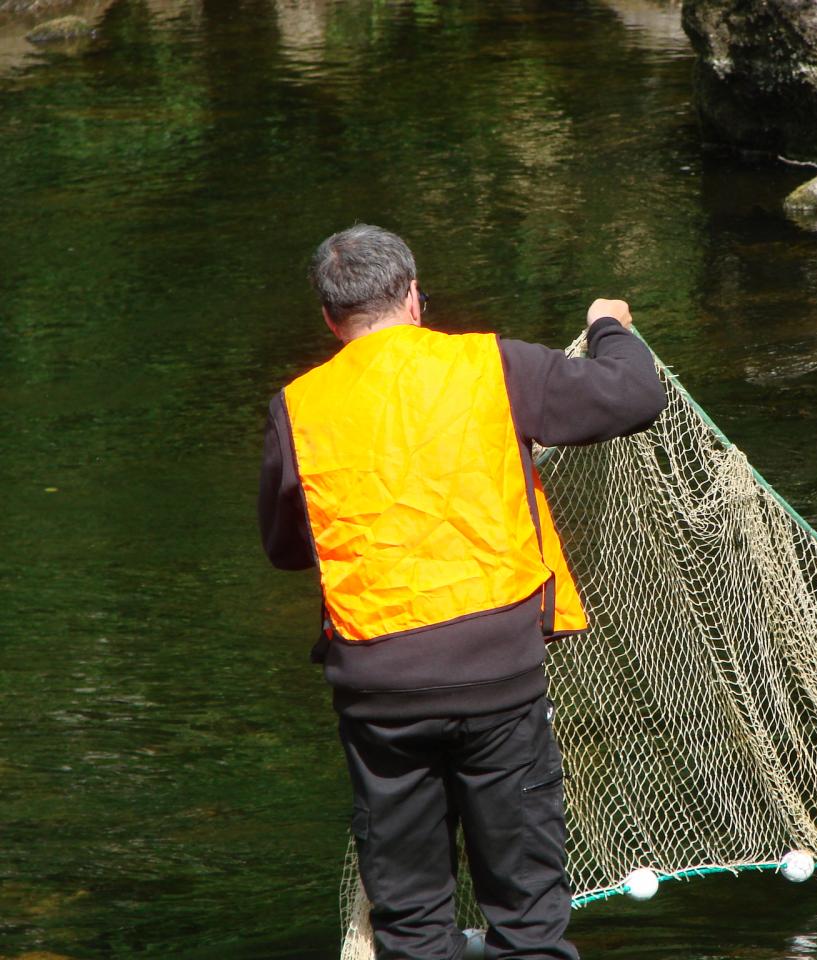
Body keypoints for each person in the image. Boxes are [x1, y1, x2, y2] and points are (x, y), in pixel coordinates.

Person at [258, 224, 667, 959]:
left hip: (379, 695)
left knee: (412, 924)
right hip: (497, 680)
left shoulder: (299, 406)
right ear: (414, 296)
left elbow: (288, 549)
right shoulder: (489, 365)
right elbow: (636, 396)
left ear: (329, 318)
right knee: (528, 916)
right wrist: (607, 327)